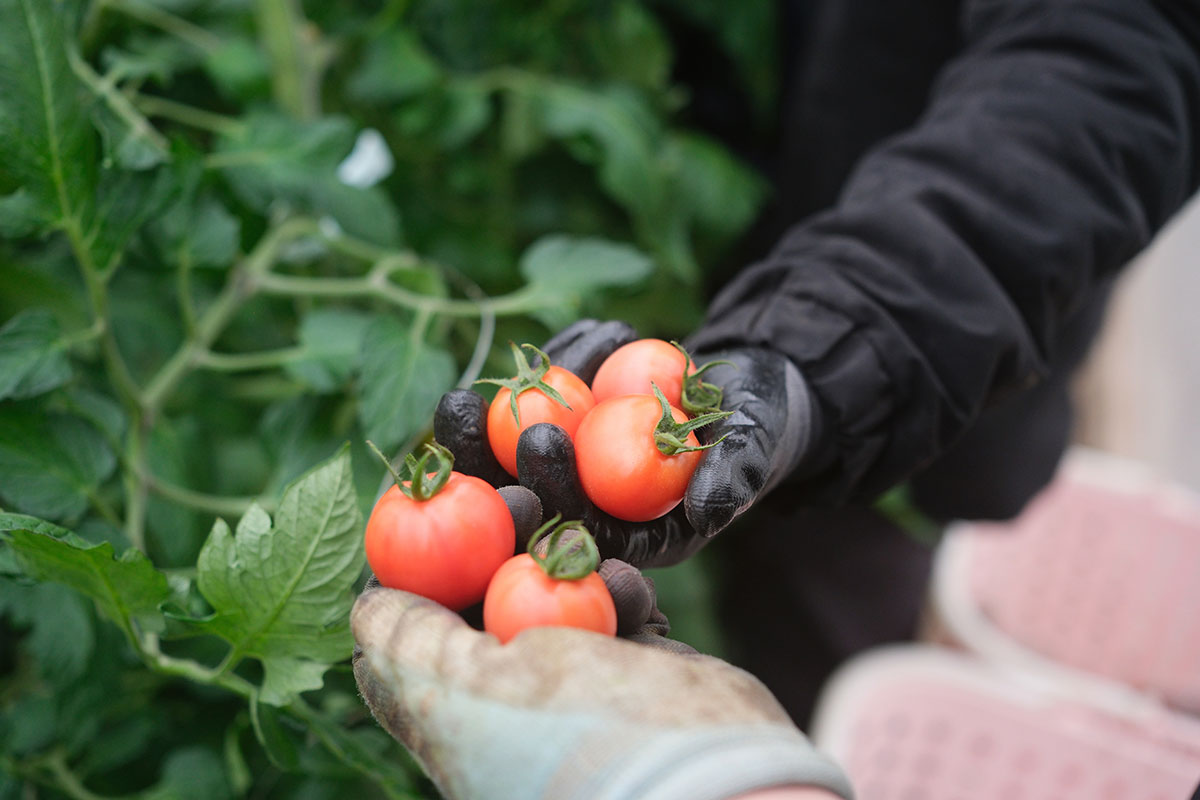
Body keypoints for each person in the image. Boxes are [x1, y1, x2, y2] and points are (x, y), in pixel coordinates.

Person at [353, 0, 1200, 794]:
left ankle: (872, 677)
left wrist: (832, 347)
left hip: (940, 309)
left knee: (848, 581)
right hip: (756, 225)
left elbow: (1113, 61)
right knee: (766, 560)